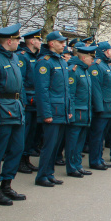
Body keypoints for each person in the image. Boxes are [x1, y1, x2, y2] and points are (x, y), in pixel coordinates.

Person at [0, 24, 27, 205]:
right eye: (17, 39)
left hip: (16, 109)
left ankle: (7, 184)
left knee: (17, 148)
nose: (19, 42)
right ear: (9, 41)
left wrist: (22, 105)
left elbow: (20, 86)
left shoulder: (14, 57)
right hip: (2, 110)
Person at [34, 31, 71, 187]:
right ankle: (42, 175)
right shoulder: (44, 62)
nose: (63, 45)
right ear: (51, 43)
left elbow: (66, 90)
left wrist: (68, 109)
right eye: (60, 42)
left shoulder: (61, 61)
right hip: (52, 111)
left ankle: (49, 173)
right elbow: (42, 90)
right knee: (49, 146)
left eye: (64, 42)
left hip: (61, 110)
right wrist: (46, 113)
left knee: (55, 146)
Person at [65, 45, 96, 177]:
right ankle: (71, 167)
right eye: (91, 58)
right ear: (83, 58)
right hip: (76, 113)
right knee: (72, 143)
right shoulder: (74, 71)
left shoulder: (85, 71)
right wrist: (70, 112)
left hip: (84, 113)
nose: (93, 61)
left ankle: (78, 165)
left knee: (80, 143)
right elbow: (70, 95)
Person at [88, 41, 111, 169]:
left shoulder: (106, 65)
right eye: (110, 51)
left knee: (101, 136)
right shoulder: (97, 66)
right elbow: (96, 89)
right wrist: (99, 108)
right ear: (105, 52)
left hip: (108, 107)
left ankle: (99, 159)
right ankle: (95, 160)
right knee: (97, 136)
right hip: (102, 109)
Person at [17, 29, 42, 174]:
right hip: (27, 99)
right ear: (32, 41)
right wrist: (23, 100)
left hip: (35, 99)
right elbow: (20, 80)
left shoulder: (36, 56)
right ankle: (20, 160)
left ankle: (26, 159)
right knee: (24, 133)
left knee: (32, 132)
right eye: (38, 40)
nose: (40, 42)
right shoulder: (22, 57)